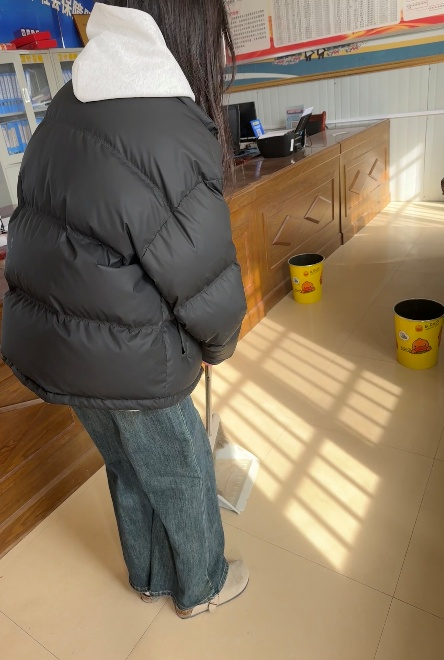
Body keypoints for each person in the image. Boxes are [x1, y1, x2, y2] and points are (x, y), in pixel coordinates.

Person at [2, 0, 248, 619]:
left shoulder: (70, 100)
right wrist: (218, 343)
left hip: (56, 344)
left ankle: (149, 576)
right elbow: (201, 275)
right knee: (181, 466)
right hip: (126, 351)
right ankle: (203, 586)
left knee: (127, 464)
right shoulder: (166, 121)